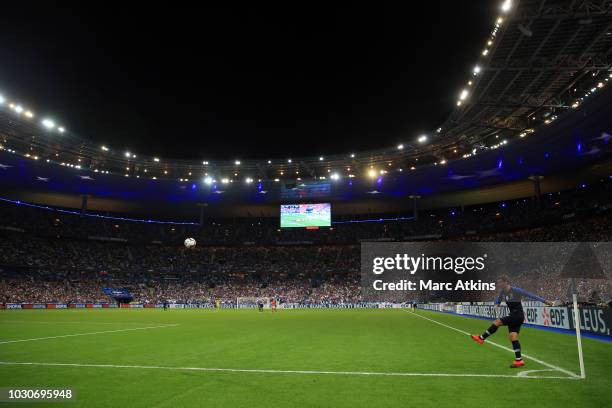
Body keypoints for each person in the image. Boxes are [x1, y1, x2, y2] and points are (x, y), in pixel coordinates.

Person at [471, 275, 551, 368]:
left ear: (506, 282)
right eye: (498, 282)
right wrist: (497, 304)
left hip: (517, 315)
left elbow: (530, 295)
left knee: (497, 322)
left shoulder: (516, 290)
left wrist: (545, 301)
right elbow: (498, 299)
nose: (498, 284)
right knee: (513, 337)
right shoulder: (502, 292)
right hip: (515, 316)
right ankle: (519, 360)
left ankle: (481, 338)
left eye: (500, 282)